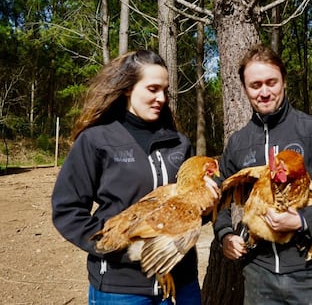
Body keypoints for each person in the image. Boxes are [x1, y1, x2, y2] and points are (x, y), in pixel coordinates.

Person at [52, 49, 218, 305]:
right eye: (152, 89)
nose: (161, 98)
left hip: (179, 282)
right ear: (128, 88)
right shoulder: (97, 140)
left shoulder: (179, 143)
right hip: (122, 286)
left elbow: (189, 211)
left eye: (165, 90)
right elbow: (67, 209)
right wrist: (113, 246)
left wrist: (207, 206)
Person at [214, 44, 312, 304]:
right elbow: (220, 195)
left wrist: (303, 220)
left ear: (283, 81)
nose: (264, 92)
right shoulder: (238, 142)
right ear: (244, 89)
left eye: (271, 82)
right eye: (255, 85)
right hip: (258, 274)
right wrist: (225, 234)